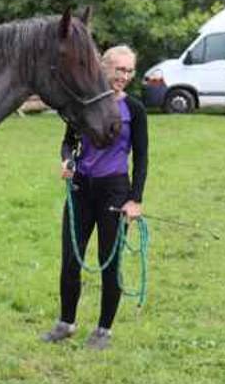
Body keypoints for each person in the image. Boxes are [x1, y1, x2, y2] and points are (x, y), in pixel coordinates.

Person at [42, 45, 148, 350]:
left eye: (129, 71)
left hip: (114, 190)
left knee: (109, 262)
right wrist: (66, 161)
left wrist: (135, 199)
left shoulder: (135, 110)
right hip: (80, 189)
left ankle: (103, 331)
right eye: (119, 70)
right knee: (70, 260)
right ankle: (66, 323)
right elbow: (68, 143)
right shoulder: (81, 104)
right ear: (104, 69)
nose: (124, 76)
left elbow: (141, 158)